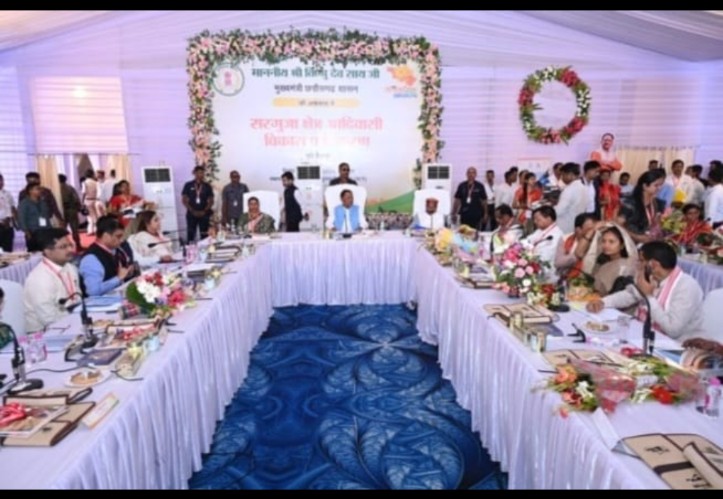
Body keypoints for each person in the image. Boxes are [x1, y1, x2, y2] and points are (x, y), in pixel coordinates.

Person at [587, 241, 706, 341]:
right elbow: (630, 295)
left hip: (675, 346)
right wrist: (603, 302)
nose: (638, 264)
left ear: (653, 265)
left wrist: (649, 297)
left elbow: (673, 330)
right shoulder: (650, 276)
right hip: (645, 336)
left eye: (641, 261)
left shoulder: (687, 287)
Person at [22, 228, 80, 332]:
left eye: (70, 245)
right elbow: (49, 319)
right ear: (47, 251)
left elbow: (78, 297)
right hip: (44, 333)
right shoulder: (39, 278)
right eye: (63, 247)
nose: (70, 250)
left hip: (72, 322)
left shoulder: (70, 268)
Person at [78, 215, 134, 296]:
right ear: (106, 236)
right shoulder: (91, 259)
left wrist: (127, 272)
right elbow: (93, 291)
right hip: (100, 302)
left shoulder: (117, 250)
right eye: (118, 236)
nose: (121, 240)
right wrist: (117, 279)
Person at [585, 225, 637, 296]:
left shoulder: (626, 265)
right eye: (603, 241)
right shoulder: (602, 265)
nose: (606, 245)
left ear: (622, 245)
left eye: (611, 242)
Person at [619, 169, 665, 244]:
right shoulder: (631, 203)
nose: (659, 188)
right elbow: (618, 225)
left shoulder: (656, 203)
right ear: (645, 186)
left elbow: (655, 222)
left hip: (648, 243)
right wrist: (636, 237)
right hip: (630, 243)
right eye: (656, 185)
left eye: (660, 185)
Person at [554, 212, 598, 281]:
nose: (592, 232)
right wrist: (576, 256)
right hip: (566, 278)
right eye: (589, 230)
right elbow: (558, 262)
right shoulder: (565, 238)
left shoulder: (598, 239)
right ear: (578, 230)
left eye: (594, 229)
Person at [521, 206, 564, 274]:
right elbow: (527, 240)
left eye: (538, 220)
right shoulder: (540, 230)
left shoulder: (557, 235)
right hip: (534, 263)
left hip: (546, 271)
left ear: (549, 219)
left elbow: (545, 257)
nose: (535, 222)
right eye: (534, 219)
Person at [553, 163, 589, 235]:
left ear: (570, 175)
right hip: (577, 225)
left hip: (564, 226)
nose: (562, 178)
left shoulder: (569, 189)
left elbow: (559, 211)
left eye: (563, 175)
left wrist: (550, 209)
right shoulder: (584, 188)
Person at [182, 166, 214, 242]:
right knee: (191, 234)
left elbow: (211, 200)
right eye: (198, 173)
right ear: (194, 173)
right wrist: (192, 211)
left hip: (204, 214)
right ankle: (190, 248)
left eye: (202, 173)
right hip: (191, 213)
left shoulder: (207, 186)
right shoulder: (188, 185)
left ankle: (205, 248)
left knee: (204, 235)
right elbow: (184, 200)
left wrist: (205, 211)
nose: (200, 174)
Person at [18, 184, 51, 252]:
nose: (40, 191)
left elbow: (46, 217)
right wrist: (27, 232)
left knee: (45, 251)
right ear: (30, 191)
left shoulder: (43, 202)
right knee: (34, 252)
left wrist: (49, 229)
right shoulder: (24, 203)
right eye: (37, 189)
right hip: (32, 231)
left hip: (44, 231)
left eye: (40, 189)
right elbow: (21, 218)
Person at [58, 174, 83, 250]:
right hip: (71, 209)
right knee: (74, 228)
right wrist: (78, 207)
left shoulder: (56, 189)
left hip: (61, 211)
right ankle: (78, 244)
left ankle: (63, 246)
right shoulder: (70, 188)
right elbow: (76, 199)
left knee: (62, 229)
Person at [0, 173, 17, 253]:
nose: (1, 182)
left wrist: (16, 221)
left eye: (1, 180)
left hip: (8, 226)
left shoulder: (7, 193)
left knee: (8, 250)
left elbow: (13, 208)